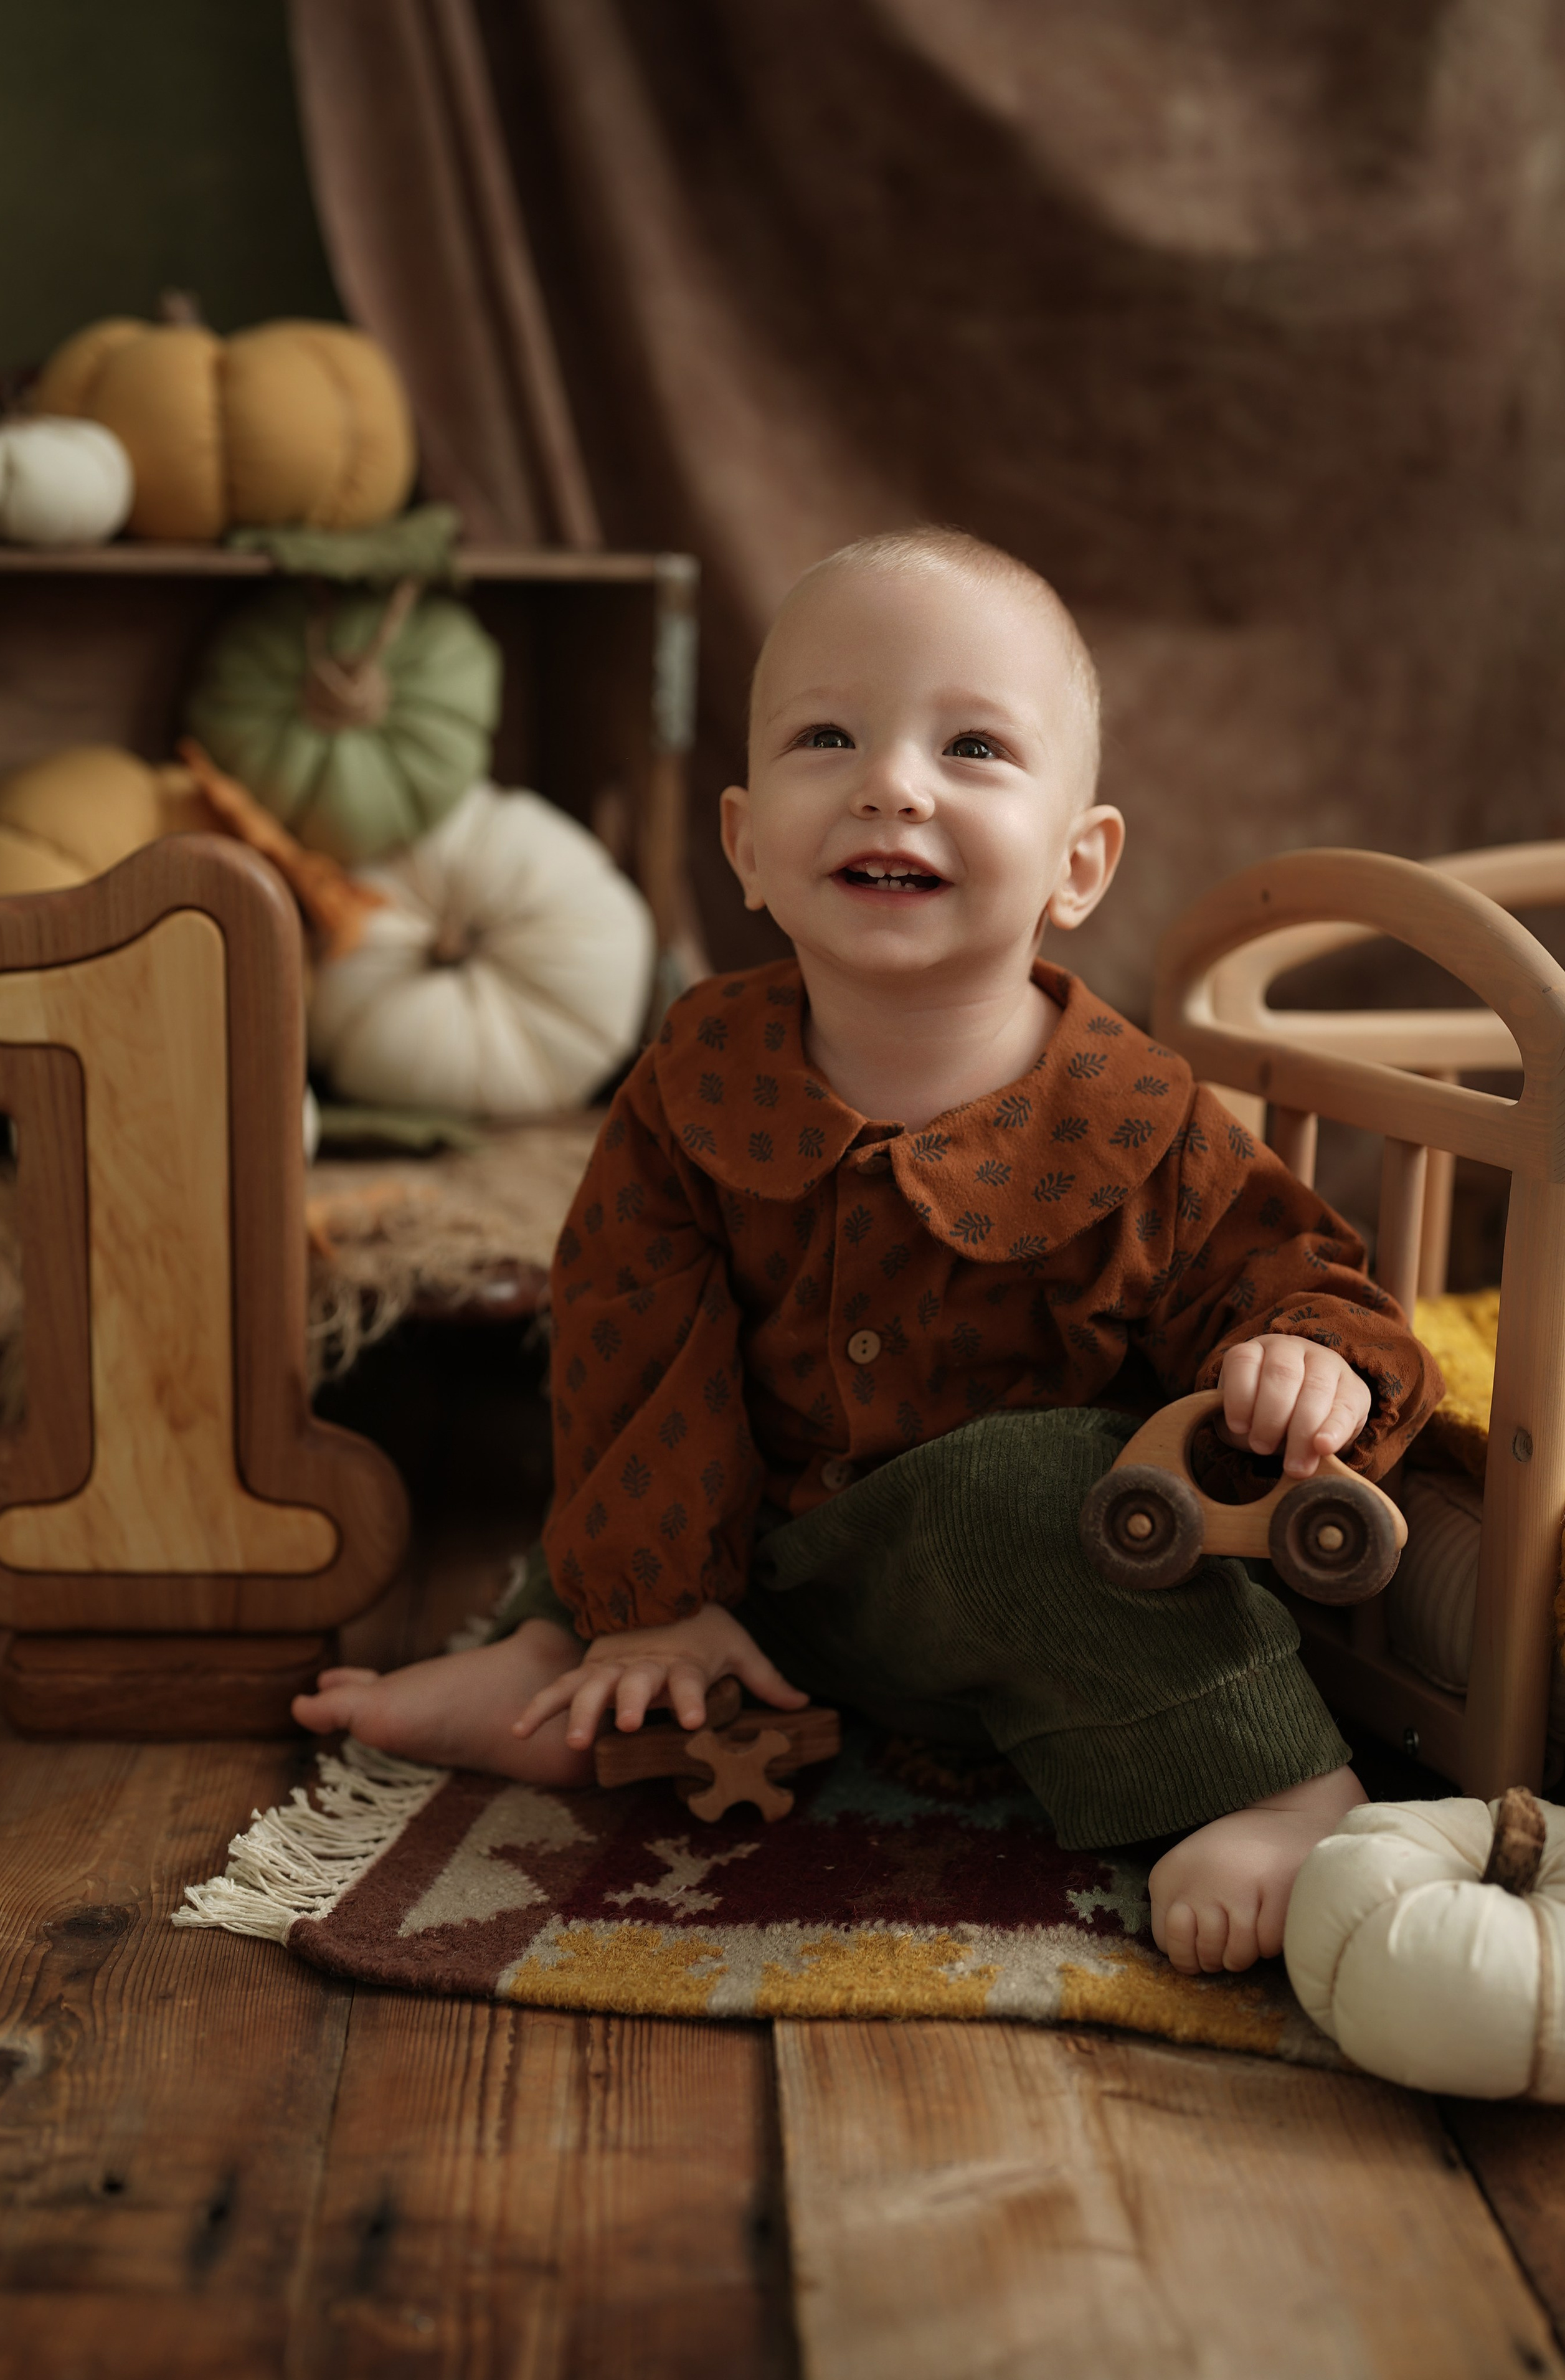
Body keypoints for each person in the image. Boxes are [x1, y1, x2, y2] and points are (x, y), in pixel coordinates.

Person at [295, 527, 1442, 1975]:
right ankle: (574, 1661)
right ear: (745, 844)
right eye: (825, 737)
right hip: (761, 1585)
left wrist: (1303, 1357)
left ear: (1076, 865)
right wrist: (659, 1599)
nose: (889, 783)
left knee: (1023, 1482)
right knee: (622, 1450)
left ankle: (1272, 1782)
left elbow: (1285, 1268)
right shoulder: (695, 1077)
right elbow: (626, 1325)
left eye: (970, 747)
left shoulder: (1133, 1116)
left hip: (1036, 1604)